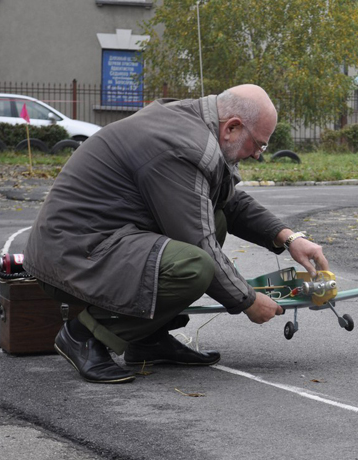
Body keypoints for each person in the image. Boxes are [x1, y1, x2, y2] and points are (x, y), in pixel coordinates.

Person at [23, 84, 328, 384]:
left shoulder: (195, 126)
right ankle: (85, 336)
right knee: (193, 266)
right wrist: (247, 301)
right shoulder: (184, 147)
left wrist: (288, 238)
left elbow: (226, 202)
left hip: (98, 244)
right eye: (258, 145)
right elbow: (199, 243)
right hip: (73, 256)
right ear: (232, 128)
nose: (258, 155)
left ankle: (148, 339)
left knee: (216, 219)